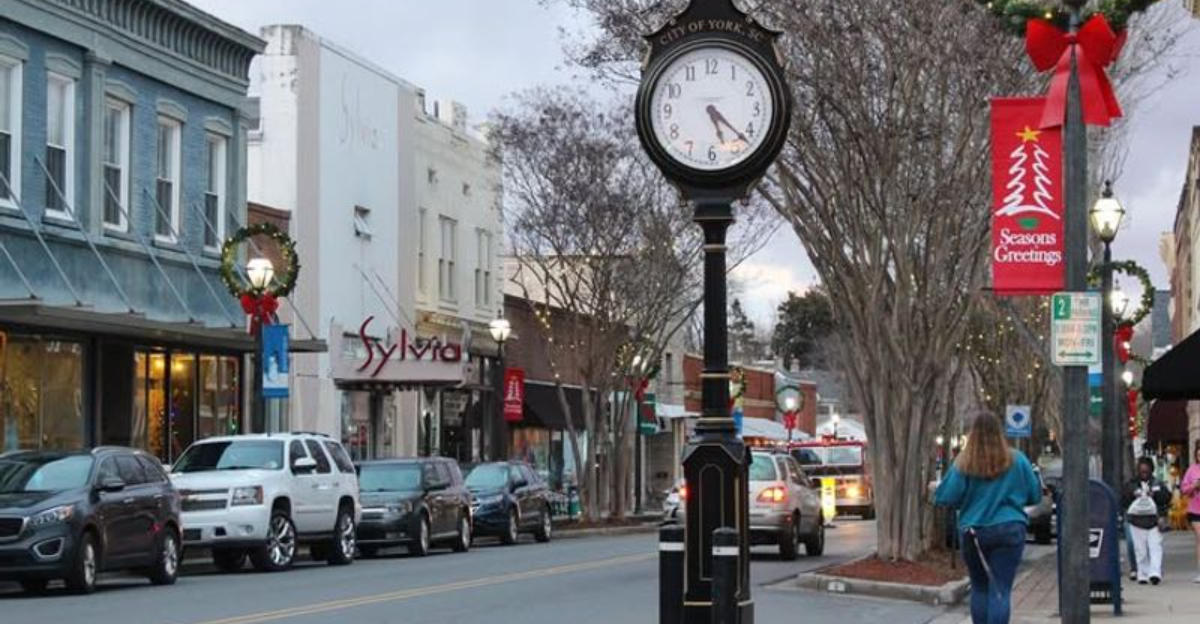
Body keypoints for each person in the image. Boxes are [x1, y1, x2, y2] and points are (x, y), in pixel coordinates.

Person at [935, 412, 1042, 624]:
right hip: (1010, 528)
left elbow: (946, 496)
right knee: (1001, 588)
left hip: (974, 532)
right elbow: (1035, 494)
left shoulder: (964, 462)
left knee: (980, 587)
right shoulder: (1017, 459)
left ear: (973, 434)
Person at [1123, 456, 1172, 585]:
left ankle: (1155, 572)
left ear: (1151, 470)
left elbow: (1166, 498)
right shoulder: (1131, 484)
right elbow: (1124, 498)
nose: (1144, 473)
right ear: (1138, 471)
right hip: (1136, 522)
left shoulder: (1157, 484)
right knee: (1141, 550)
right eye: (1141, 470)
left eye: (1146, 470)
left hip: (1154, 522)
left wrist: (1155, 494)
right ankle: (1142, 573)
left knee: (1155, 547)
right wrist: (1134, 493)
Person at [1180, 445, 1200, 584]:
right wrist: (1194, 486)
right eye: (1199, 454)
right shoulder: (1192, 470)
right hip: (1195, 509)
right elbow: (1184, 488)